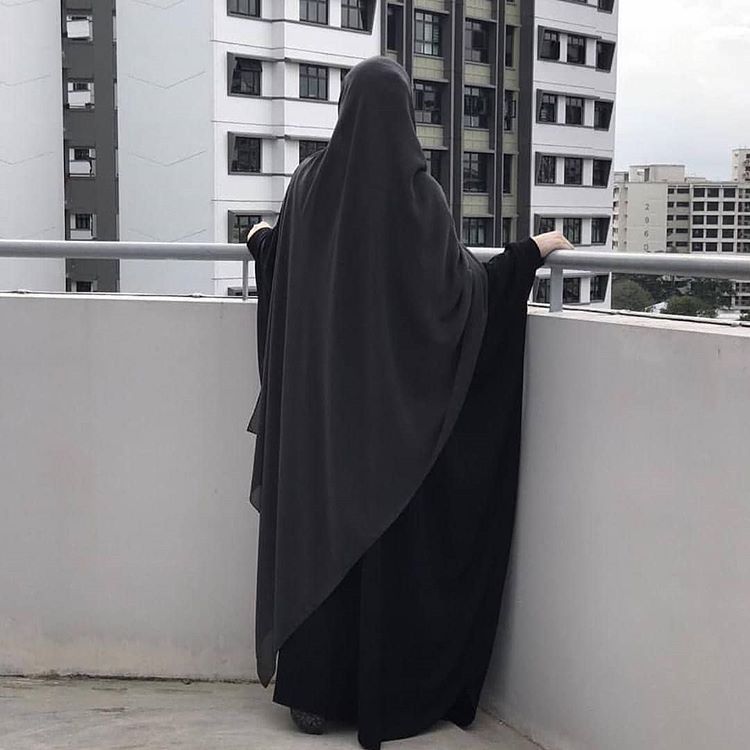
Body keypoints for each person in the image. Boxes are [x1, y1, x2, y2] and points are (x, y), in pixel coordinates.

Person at [245, 56, 572, 750]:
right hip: (392, 430)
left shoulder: (307, 184)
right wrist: (526, 255)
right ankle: (377, 691)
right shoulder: (418, 196)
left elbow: (292, 266)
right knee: (384, 542)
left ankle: (312, 694)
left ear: (343, 110)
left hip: (324, 427)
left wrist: (261, 244)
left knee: (320, 537)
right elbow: (459, 297)